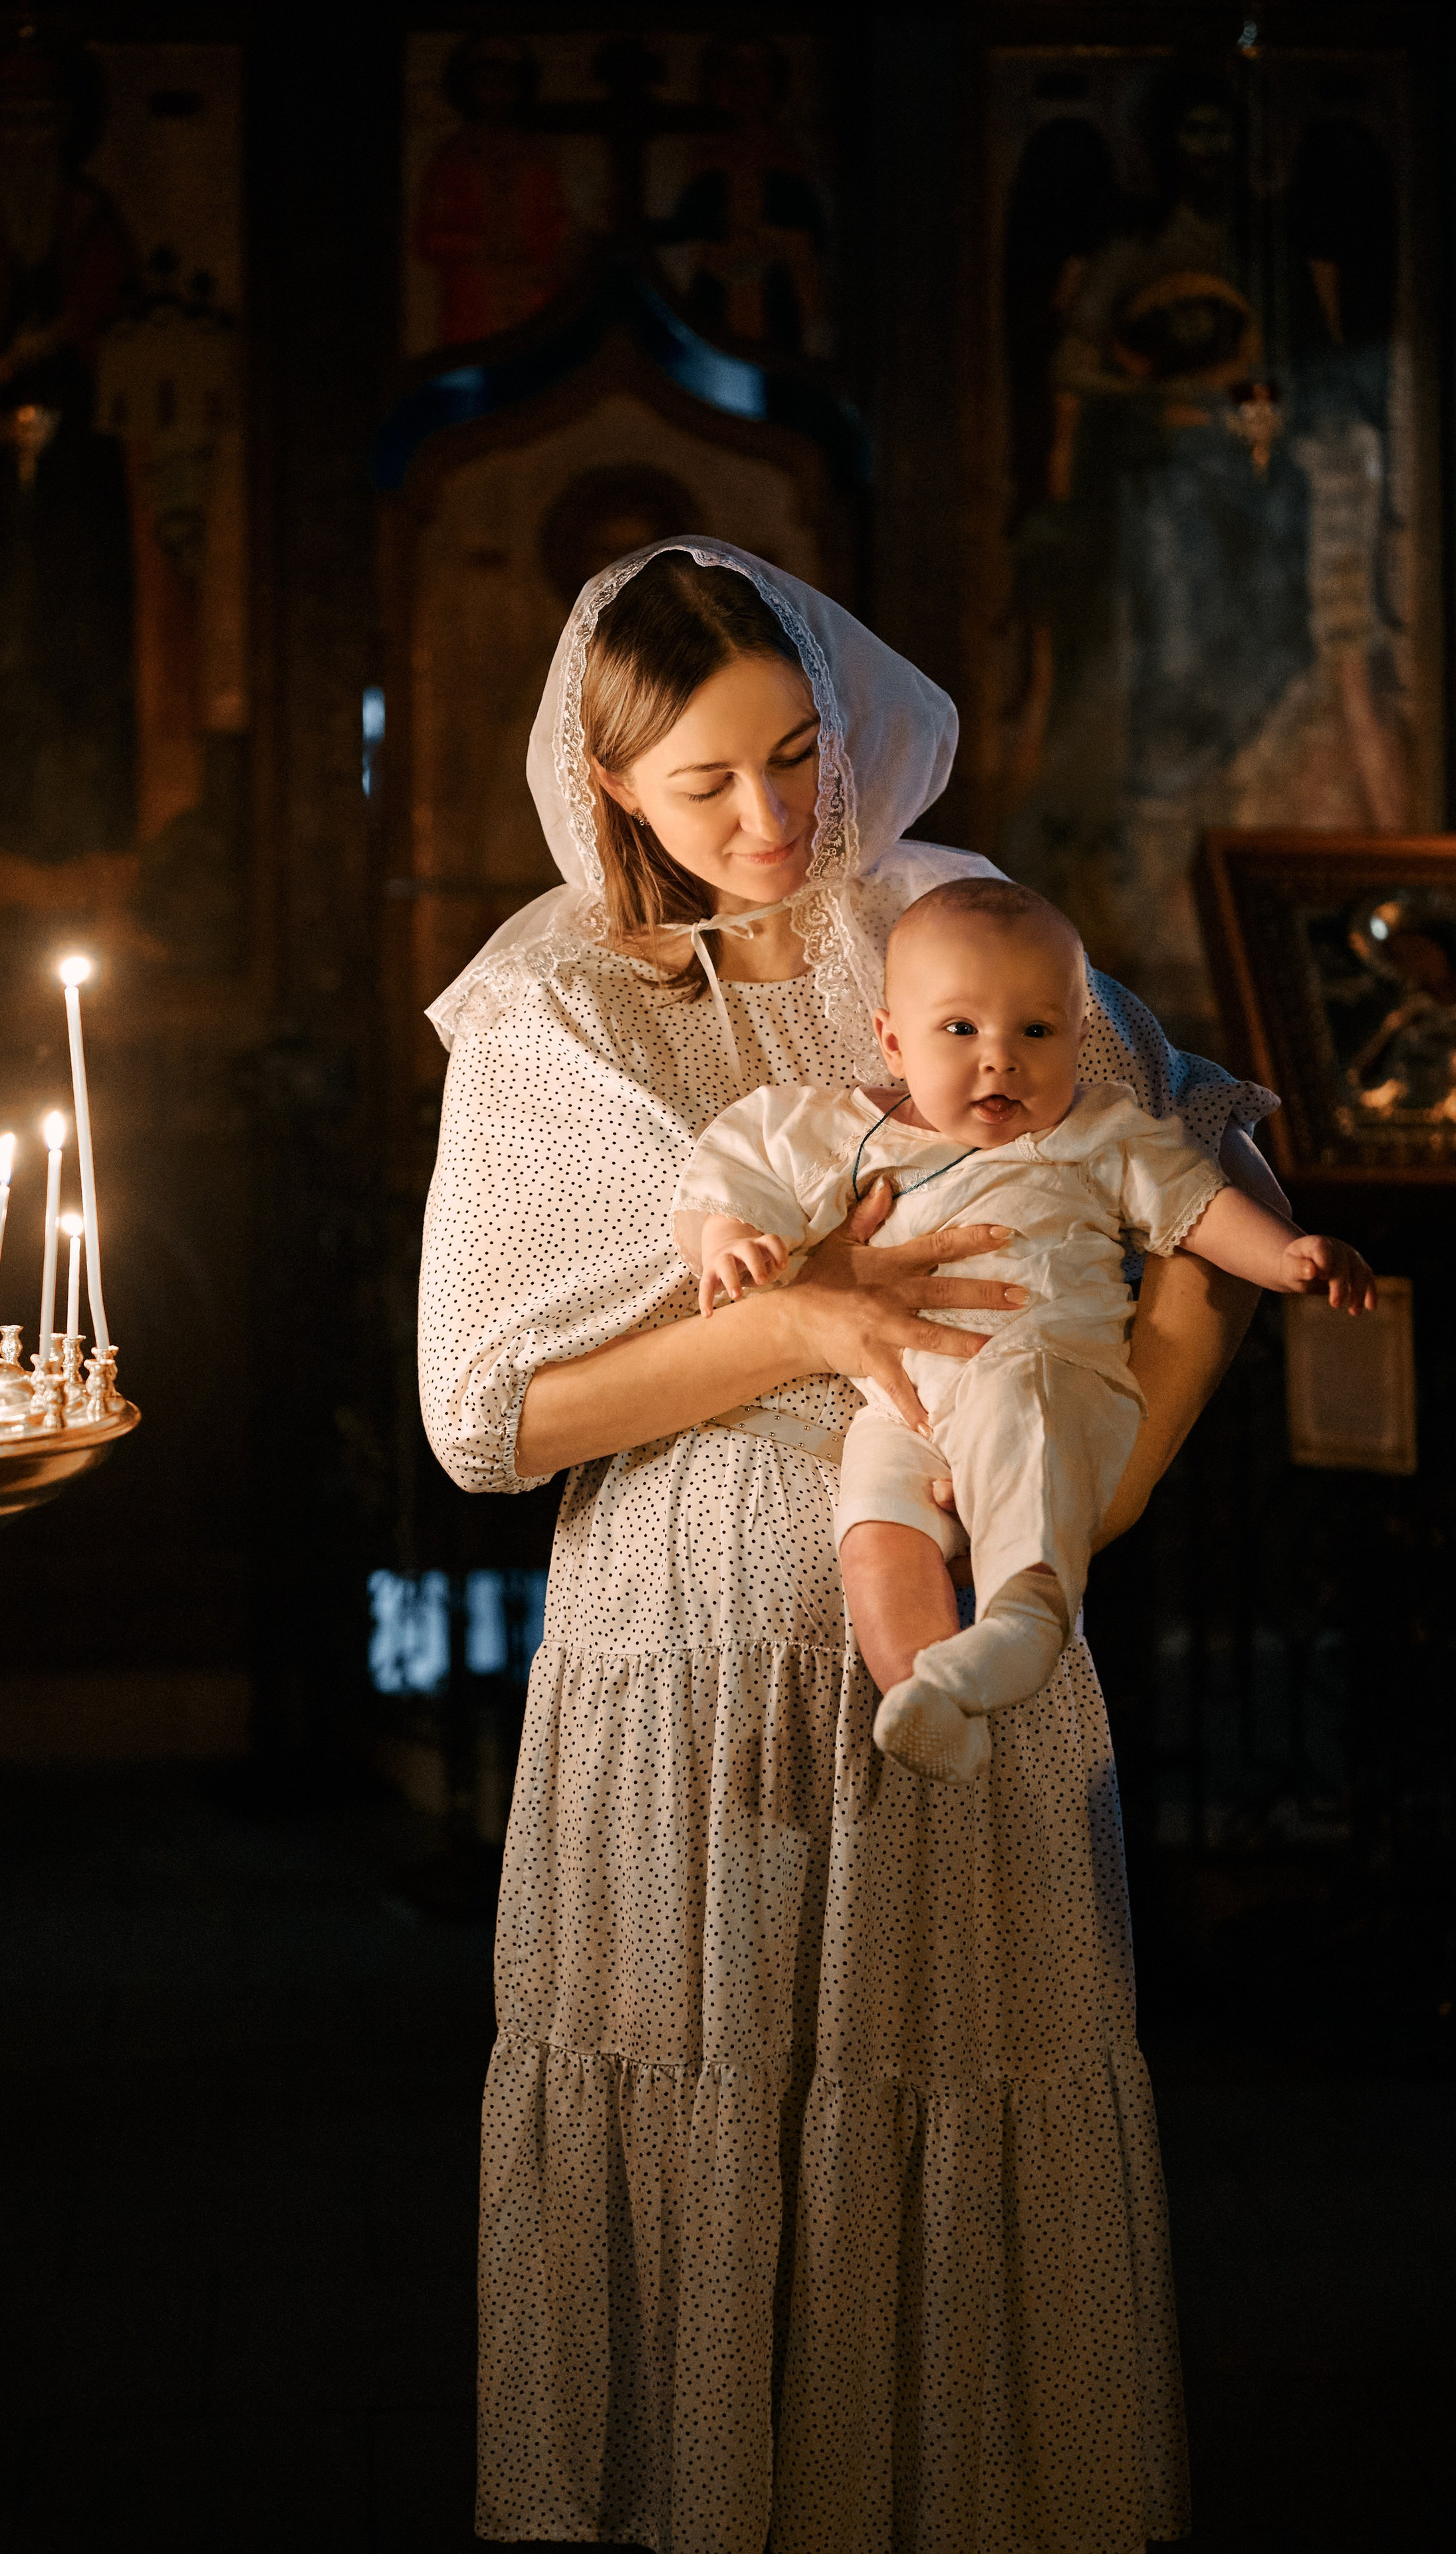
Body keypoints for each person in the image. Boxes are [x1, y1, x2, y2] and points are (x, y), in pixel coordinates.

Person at [419, 539, 1283, 2551]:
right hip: (684, 1662)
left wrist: (1119, 1468)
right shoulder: (548, 1012)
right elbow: (491, 1416)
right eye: (708, 781)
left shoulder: (943, 921)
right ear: (609, 782)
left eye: (799, 755)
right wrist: (802, 1320)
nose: (773, 818)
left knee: (953, 2095)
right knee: (708, 2104)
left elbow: (1204, 1169)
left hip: (956, 1629)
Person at [679, 876, 1374, 1787]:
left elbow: (1201, 1207)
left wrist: (1289, 1256)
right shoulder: (847, 1130)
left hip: (1044, 1371)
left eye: (1035, 1032)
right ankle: (925, 1691)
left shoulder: (1100, 1130)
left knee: (1026, 1463)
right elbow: (729, 1168)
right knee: (874, 1529)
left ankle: (1025, 1619)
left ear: (1080, 1041)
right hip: (907, 1408)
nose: (999, 1061)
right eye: (960, 1030)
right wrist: (730, 1240)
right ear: (893, 1038)